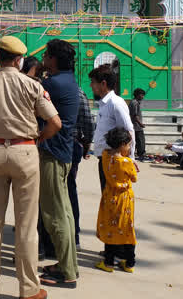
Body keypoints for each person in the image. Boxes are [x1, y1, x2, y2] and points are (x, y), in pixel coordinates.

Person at [0, 36, 61, 299]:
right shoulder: (32, 85)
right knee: (26, 223)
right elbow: (55, 123)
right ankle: (28, 288)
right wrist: (38, 138)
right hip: (25, 151)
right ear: (18, 60)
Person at [37, 39, 80, 289]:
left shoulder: (52, 83)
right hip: (63, 153)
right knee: (64, 211)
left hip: (52, 153)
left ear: (53, 59)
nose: (43, 57)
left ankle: (67, 273)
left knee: (54, 214)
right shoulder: (68, 80)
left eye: (46, 54)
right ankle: (68, 264)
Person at [95, 127, 137, 273]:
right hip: (124, 199)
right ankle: (129, 263)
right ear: (122, 145)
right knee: (127, 227)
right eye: (128, 145)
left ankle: (109, 262)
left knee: (110, 227)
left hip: (109, 197)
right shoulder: (126, 162)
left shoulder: (105, 155)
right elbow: (134, 178)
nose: (129, 148)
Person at [89, 64, 135, 191]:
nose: (91, 86)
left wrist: (130, 158)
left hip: (114, 161)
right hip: (105, 159)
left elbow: (129, 131)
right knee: (107, 199)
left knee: (113, 200)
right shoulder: (104, 104)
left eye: (93, 82)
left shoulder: (116, 103)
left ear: (103, 84)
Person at [70, 87, 95, 248]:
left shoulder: (46, 87)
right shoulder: (78, 92)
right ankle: (73, 237)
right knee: (70, 191)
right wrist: (86, 147)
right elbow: (88, 124)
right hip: (73, 144)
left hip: (53, 145)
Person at [129, 89, 147, 161]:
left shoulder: (134, 102)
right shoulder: (135, 103)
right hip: (136, 126)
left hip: (135, 126)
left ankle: (136, 154)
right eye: (142, 95)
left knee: (136, 141)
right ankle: (141, 155)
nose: (143, 97)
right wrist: (141, 124)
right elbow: (135, 116)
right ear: (137, 95)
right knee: (140, 141)